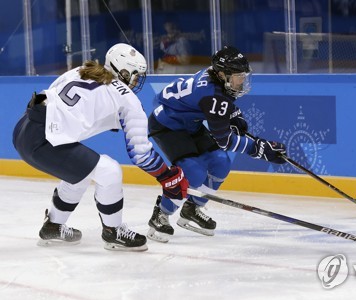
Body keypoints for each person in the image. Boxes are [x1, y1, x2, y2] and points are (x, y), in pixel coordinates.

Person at [12, 43, 188, 252]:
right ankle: (113, 232)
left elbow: (50, 97)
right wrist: (166, 175)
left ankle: (53, 226)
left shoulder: (79, 70)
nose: (137, 81)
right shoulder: (127, 98)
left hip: (24, 128)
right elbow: (140, 154)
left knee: (80, 172)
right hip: (43, 141)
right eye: (135, 75)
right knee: (109, 171)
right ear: (123, 71)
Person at [147, 46, 287, 242]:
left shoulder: (217, 80)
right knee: (194, 174)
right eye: (239, 75)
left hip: (189, 124)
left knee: (221, 162)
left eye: (244, 74)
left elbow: (216, 106)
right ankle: (160, 214)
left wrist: (232, 114)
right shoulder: (212, 93)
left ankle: (192, 208)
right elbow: (225, 139)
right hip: (167, 127)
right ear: (222, 74)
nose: (243, 79)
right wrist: (260, 149)